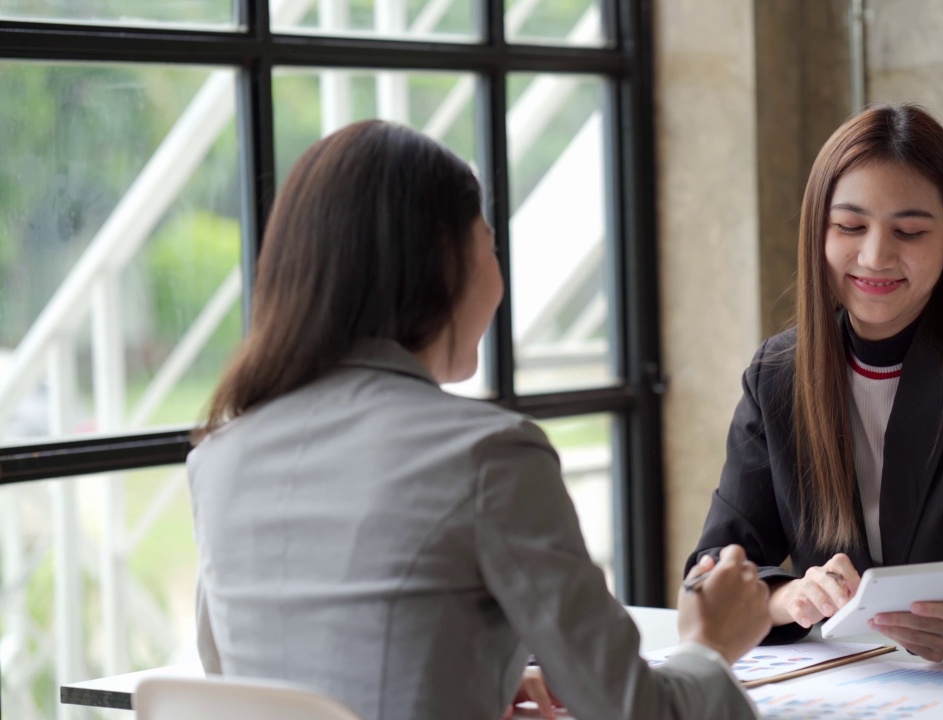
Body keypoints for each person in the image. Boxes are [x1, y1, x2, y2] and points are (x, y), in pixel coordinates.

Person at [188, 120, 771, 720]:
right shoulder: (488, 455)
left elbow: (247, 690)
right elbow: (636, 711)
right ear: (445, 262)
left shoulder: (217, 459)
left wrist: (476, 680)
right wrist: (711, 644)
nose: (499, 277)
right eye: (490, 243)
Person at [687, 104, 943, 661]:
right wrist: (787, 598)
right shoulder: (777, 375)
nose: (876, 256)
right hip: (848, 690)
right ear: (817, 233)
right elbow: (711, 571)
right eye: (850, 226)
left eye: (908, 230)